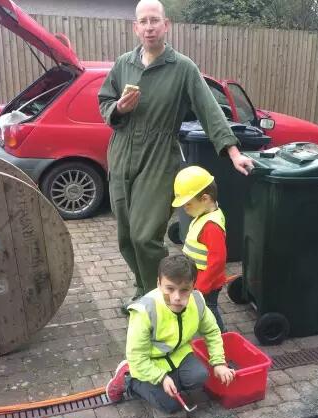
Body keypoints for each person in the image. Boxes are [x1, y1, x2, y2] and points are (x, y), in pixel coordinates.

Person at [98, 0, 253, 310]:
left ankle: (161, 299)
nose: (149, 27)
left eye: (155, 20)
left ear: (166, 25)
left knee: (145, 237)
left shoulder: (182, 68)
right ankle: (144, 288)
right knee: (126, 237)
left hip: (159, 157)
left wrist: (233, 151)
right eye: (143, 21)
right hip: (121, 153)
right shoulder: (123, 63)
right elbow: (105, 101)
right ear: (136, 27)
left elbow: (209, 110)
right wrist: (118, 108)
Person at [105, 254, 235, 413]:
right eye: (170, 289)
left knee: (199, 376)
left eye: (184, 290)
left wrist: (219, 363)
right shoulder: (144, 311)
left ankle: (168, 383)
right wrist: (161, 378)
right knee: (170, 405)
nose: (177, 298)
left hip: (179, 355)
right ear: (159, 284)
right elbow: (137, 356)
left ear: (193, 286)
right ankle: (127, 378)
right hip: (150, 362)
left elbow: (212, 331)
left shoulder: (197, 301)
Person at [172, 166, 227, 332]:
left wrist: (203, 284)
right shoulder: (205, 214)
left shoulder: (211, 226)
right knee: (202, 308)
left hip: (207, 282)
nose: (184, 208)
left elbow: (218, 260)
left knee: (209, 310)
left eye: (188, 204)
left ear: (204, 199)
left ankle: (221, 337)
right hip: (198, 278)